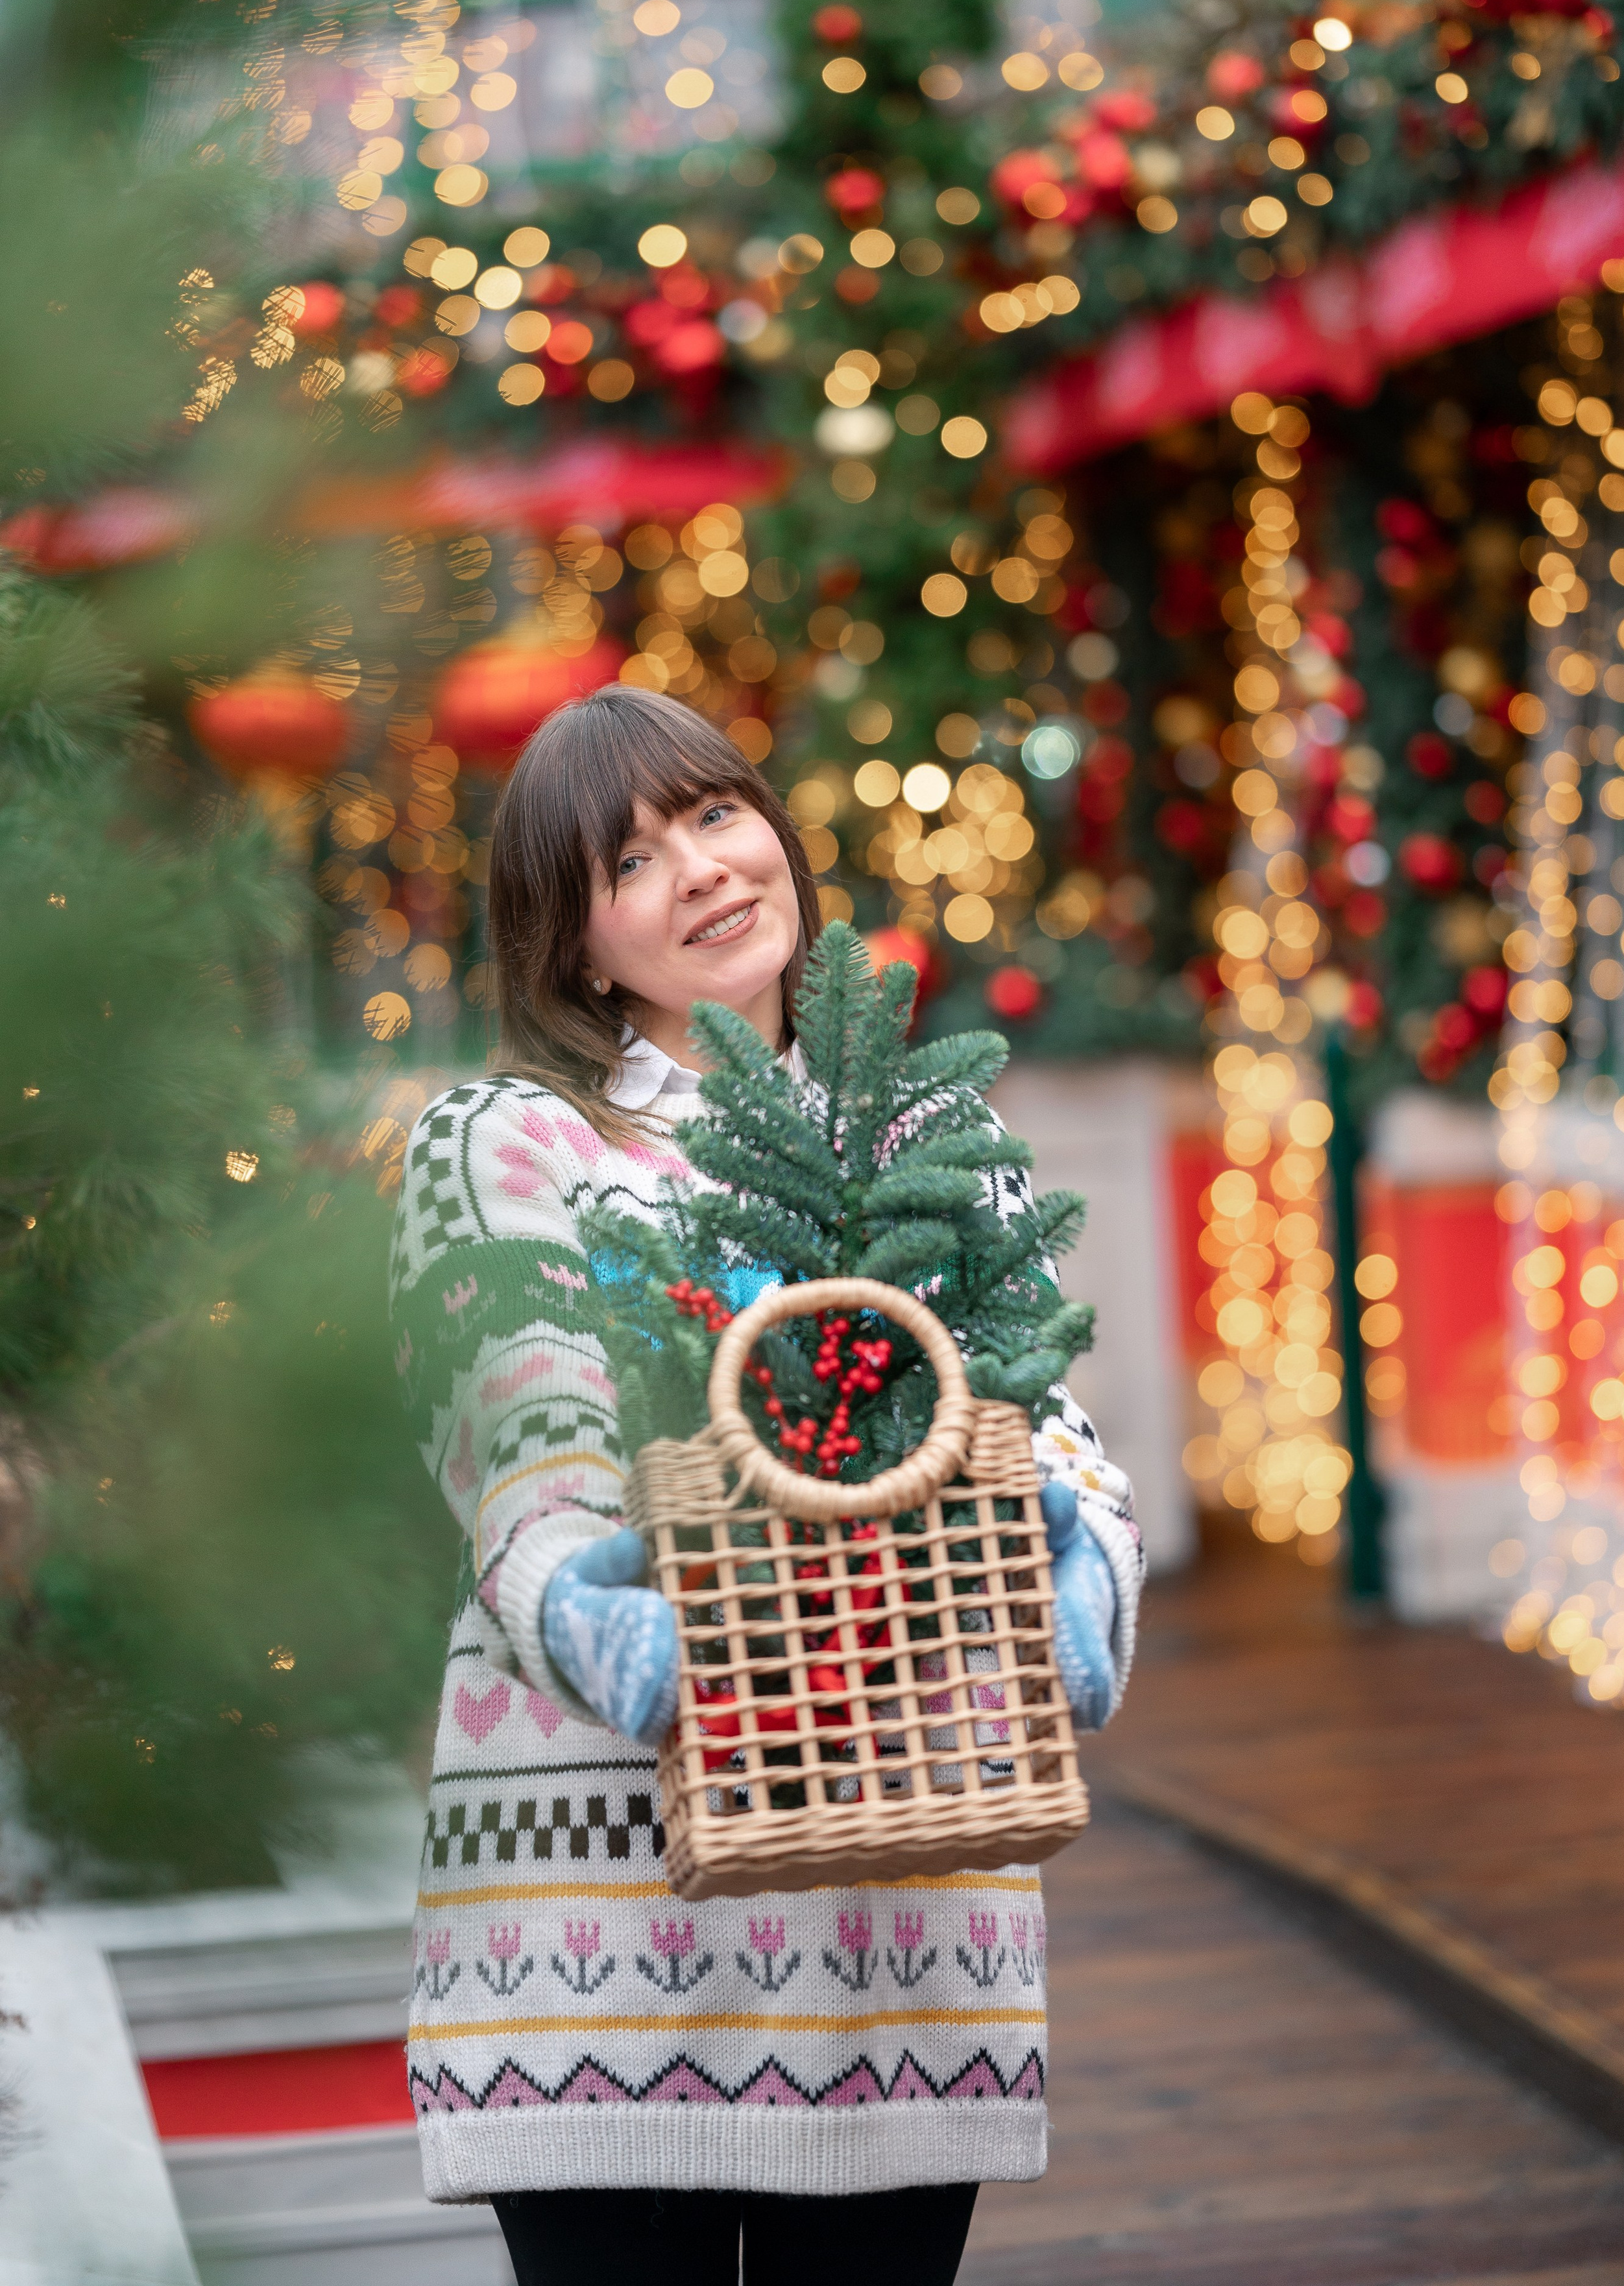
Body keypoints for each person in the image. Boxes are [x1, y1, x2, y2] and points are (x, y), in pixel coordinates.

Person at [390, 685, 1141, 2286]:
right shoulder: (511, 1139)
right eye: (629, 860)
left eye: (715, 814)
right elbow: (520, 1444)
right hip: (602, 1949)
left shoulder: (927, 1127)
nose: (701, 870)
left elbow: (1039, 1409)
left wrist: (1079, 1578)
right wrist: (621, 1634)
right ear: (577, 945)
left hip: (907, 1934)